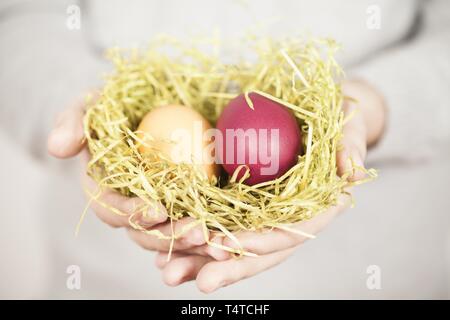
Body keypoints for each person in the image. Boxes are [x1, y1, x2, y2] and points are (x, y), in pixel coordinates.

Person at [2, 0, 450, 298]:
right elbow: (20, 21)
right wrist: (85, 116)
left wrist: (375, 104)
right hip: (115, 280)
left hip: (380, 278)